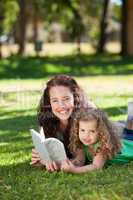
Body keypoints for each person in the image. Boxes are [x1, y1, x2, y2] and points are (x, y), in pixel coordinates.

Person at [31, 74, 96, 171]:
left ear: (75, 98)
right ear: (49, 103)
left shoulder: (87, 117)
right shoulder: (47, 119)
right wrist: (41, 158)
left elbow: (80, 159)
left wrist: (62, 165)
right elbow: (49, 152)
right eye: (55, 100)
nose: (61, 105)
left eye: (66, 99)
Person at [61, 107, 133, 173]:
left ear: (101, 132)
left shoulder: (102, 146)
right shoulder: (81, 143)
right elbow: (80, 161)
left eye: (92, 131)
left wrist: (75, 170)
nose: (86, 135)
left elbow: (96, 166)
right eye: (82, 130)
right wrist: (67, 164)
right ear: (77, 130)